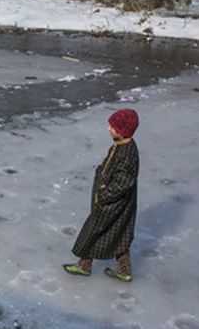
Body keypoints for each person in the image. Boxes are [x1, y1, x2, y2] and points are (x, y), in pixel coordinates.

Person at [63, 109, 140, 282]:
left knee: (93, 232)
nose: (108, 129)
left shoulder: (127, 154)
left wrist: (103, 195)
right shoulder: (120, 146)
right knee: (119, 234)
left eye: (112, 127)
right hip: (115, 202)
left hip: (112, 203)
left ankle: (84, 266)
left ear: (121, 131)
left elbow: (122, 183)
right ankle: (124, 270)